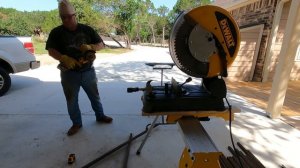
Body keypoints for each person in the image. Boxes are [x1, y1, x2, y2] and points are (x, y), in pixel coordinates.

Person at [46, 0, 112, 136]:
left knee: (95, 96)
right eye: (63, 17)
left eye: (69, 16)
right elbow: (51, 50)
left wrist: (92, 47)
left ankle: (100, 116)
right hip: (69, 74)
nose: (66, 20)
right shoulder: (56, 32)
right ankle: (76, 123)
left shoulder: (87, 29)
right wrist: (63, 58)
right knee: (71, 100)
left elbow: (101, 44)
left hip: (88, 72)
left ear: (75, 15)